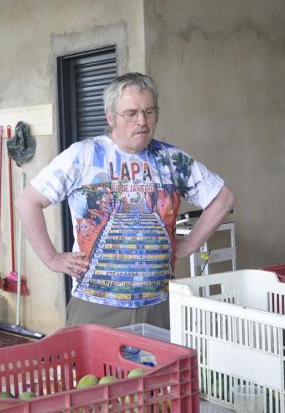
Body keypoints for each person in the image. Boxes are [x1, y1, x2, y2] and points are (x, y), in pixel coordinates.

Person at [16, 72, 236, 329]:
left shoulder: (172, 160)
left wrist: (188, 244)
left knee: (159, 369)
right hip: (96, 301)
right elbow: (27, 201)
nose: (142, 121)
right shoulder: (83, 155)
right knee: (95, 370)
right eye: (131, 113)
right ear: (111, 117)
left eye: (149, 112)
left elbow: (223, 198)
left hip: (158, 302)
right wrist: (52, 258)